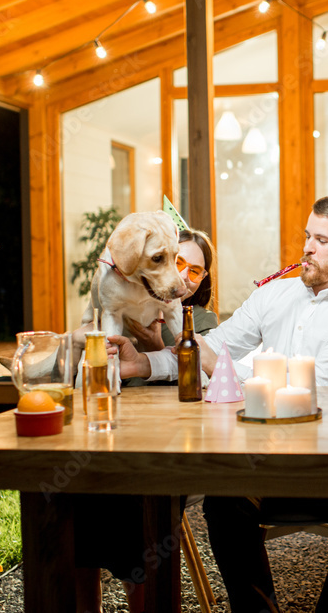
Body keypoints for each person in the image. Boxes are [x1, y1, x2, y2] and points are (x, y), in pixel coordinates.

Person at [111, 183, 328, 612]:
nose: (308, 249)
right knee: (224, 500)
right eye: (307, 236)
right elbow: (213, 345)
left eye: (321, 241)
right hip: (259, 459)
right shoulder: (275, 293)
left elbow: (310, 390)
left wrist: (218, 365)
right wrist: (145, 365)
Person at [72, 227, 218, 613]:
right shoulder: (124, 300)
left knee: (136, 500)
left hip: (173, 438)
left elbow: (208, 376)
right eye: (175, 261)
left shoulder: (202, 321)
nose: (180, 274)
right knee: (77, 499)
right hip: (114, 426)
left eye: (194, 270)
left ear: (203, 280)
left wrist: (155, 348)